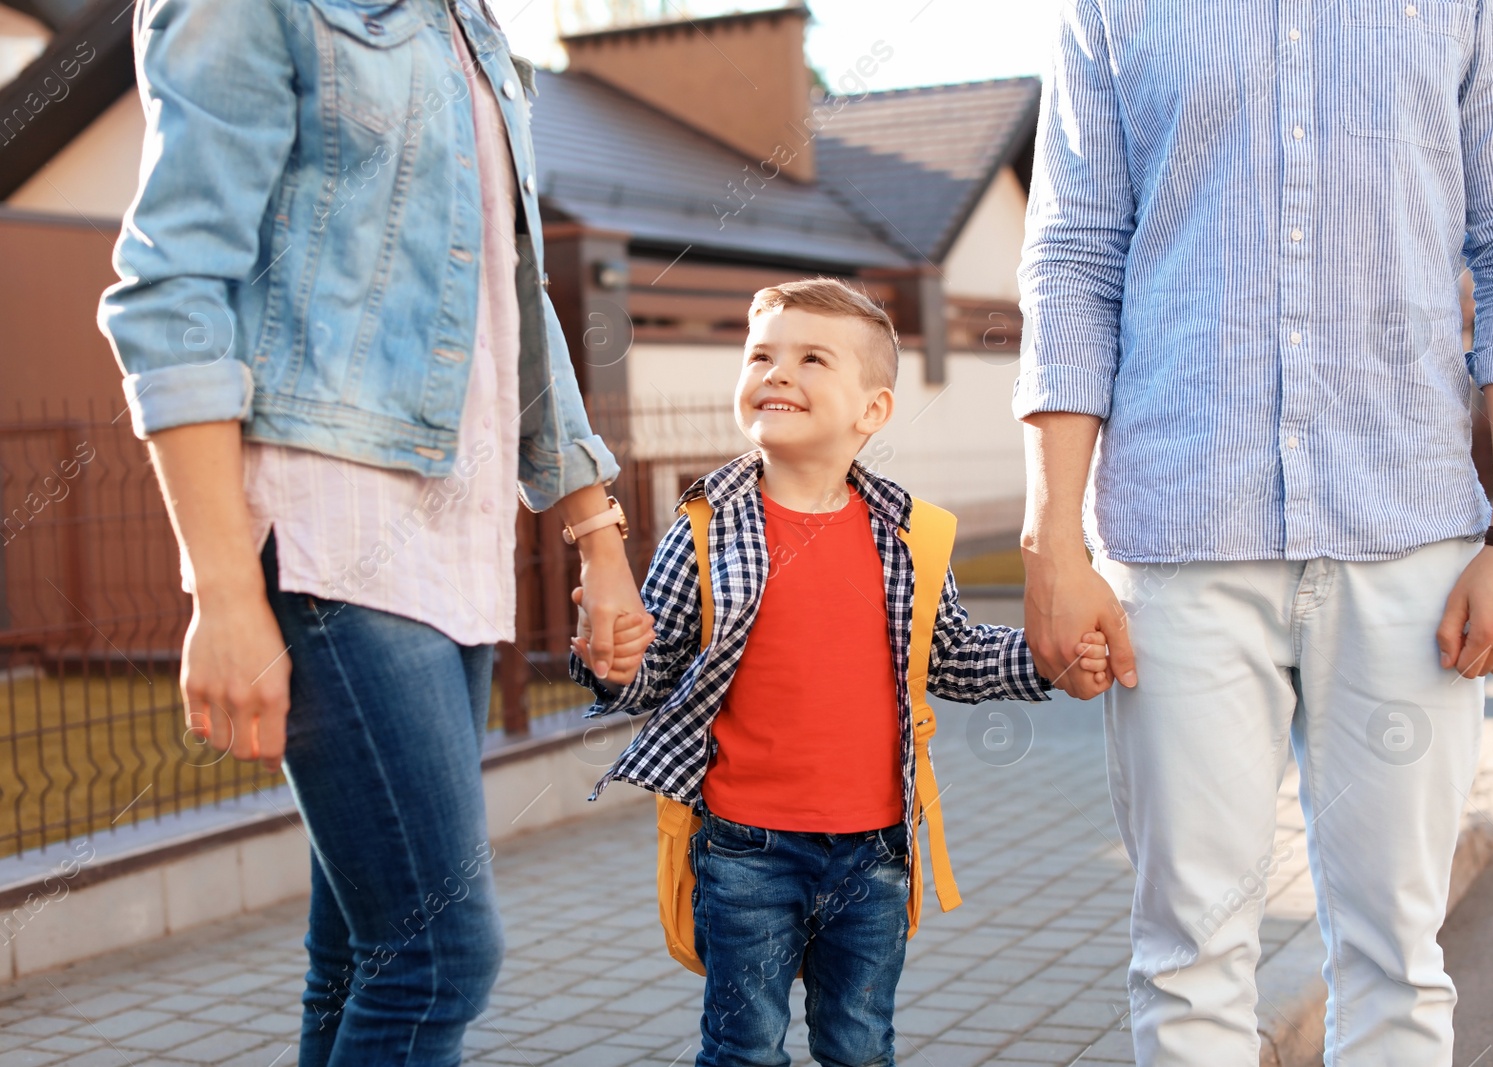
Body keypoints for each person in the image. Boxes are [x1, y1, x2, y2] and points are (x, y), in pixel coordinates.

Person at [1017, 3, 1493, 1065]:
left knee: (1394, 956)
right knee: (1184, 957)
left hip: (1409, 533)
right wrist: (1053, 538)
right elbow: (1072, 253)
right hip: (1179, 535)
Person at [96, 1, 650, 1063]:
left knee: (362, 952)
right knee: (441, 951)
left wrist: (598, 535)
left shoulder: (475, 28)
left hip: (457, 548)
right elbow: (173, 286)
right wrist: (222, 590)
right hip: (326, 533)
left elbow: (520, 304)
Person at [569, 278, 1101, 1066]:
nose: (777, 373)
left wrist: (1045, 659)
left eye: (811, 357)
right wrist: (612, 664)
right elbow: (656, 672)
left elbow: (948, 652)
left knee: (860, 1044)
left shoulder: (912, 536)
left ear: (872, 410)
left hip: (875, 849)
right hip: (745, 847)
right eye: (761, 356)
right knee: (744, 1046)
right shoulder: (705, 528)